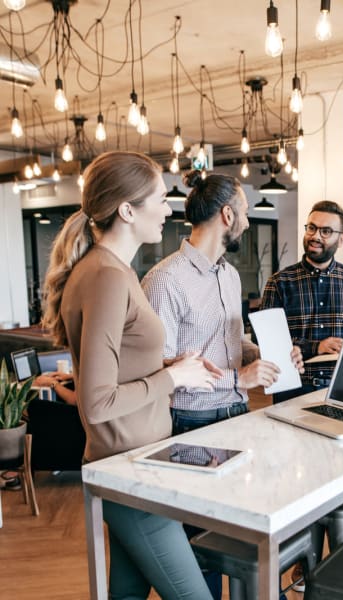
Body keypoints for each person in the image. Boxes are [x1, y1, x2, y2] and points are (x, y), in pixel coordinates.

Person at [42, 151, 222, 600]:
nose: (169, 209)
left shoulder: (113, 270)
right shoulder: (105, 275)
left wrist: (172, 366)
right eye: (161, 199)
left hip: (138, 464)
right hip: (130, 471)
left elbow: (117, 368)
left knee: (125, 595)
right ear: (127, 209)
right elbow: (97, 401)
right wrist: (174, 379)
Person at [142, 171, 304, 436]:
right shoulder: (166, 280)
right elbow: (160, 369)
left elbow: (234, 342)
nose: (248, 223)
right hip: (191, 420)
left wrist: (270, 357)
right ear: (228, 215)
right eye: (246, 213)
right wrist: (238, 378)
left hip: (238, 410)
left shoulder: (230, 276)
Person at [261, 200, 343, 403]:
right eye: (312, 228)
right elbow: (266, 342)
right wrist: (315, 347)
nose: (316, 236)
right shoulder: (279, 282)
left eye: (326, 231)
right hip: (293, 389)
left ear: (341, 239)